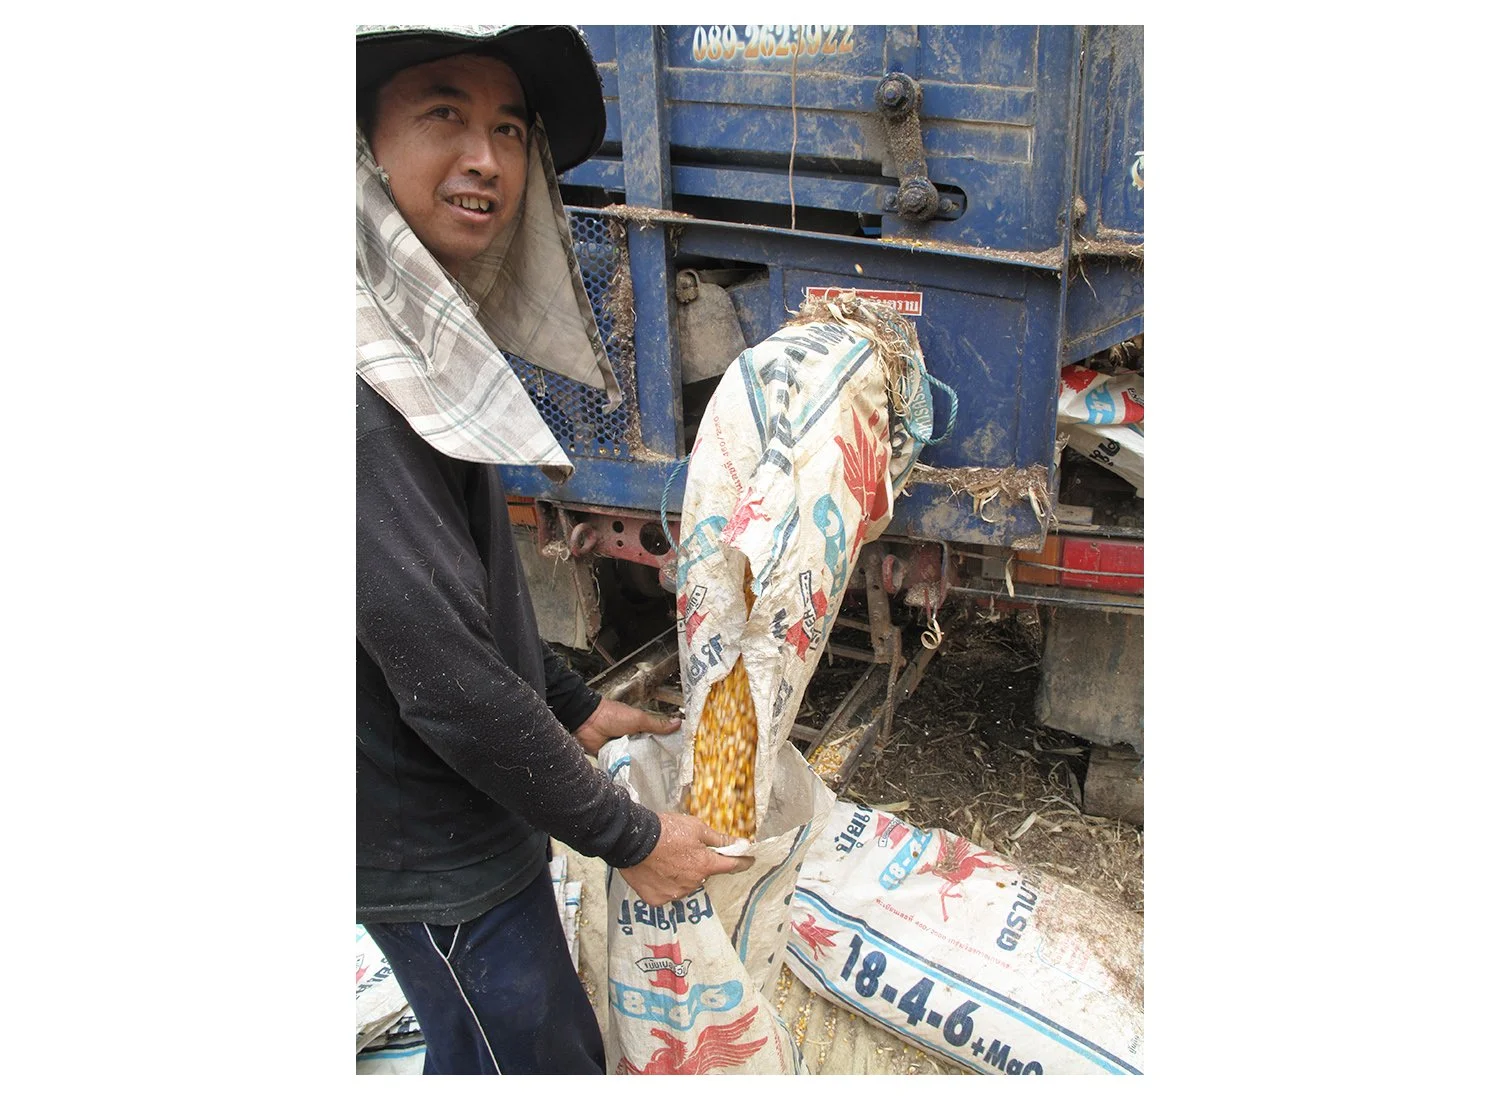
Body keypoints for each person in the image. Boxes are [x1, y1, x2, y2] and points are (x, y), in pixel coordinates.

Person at [354, 25, 753, 1075]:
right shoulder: (355, 393)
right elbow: (445, 679)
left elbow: (459, 595)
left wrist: (568, 699)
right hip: (425, 837)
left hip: (459, 807)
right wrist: (630, 837)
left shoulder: (411, 337)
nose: (486, 158)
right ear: (359, 144)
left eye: (507, 129)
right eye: (444, 114)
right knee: (527, 1058)